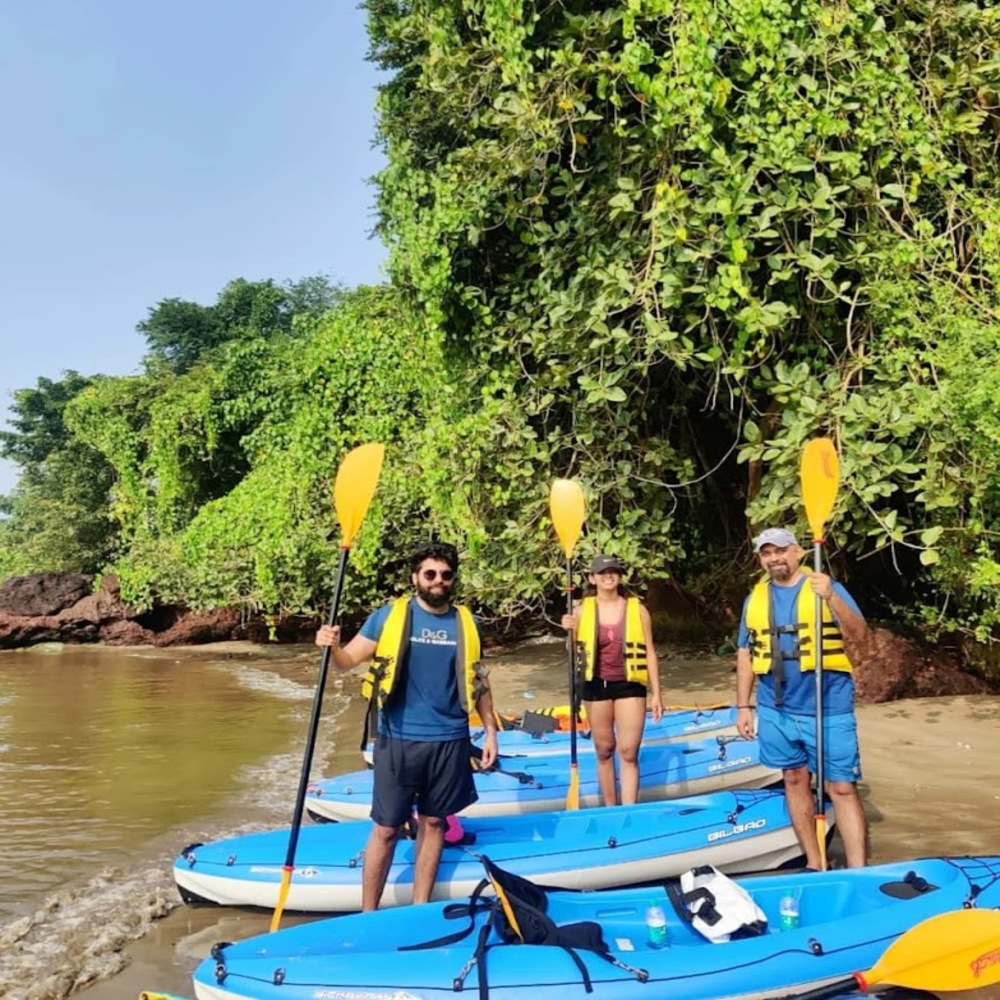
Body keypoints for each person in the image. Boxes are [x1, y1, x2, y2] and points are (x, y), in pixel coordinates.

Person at [315, 541, 498, 909]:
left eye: (446, 574)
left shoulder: (467, 623)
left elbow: (478, 680)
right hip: (398, 739)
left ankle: (420, 906)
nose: (438, 580)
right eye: (430, 574)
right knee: (386, 828)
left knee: (434, 823)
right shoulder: (387, 617)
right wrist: (330, 646)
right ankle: (369, 911)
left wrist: (491, 731)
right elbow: (346, 661)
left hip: (450, 739)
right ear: (415, 577)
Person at [735, 527, 870, 868]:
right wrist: (743, 706)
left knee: (841, 788)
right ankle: (814, 862)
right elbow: (745, 653)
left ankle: (858, 870)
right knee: (794, 779)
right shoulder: (755, 599)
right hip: (775, 708)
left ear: (798, 552)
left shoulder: (825, 587)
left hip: (828, 707)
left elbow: (860, 636)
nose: (774, 558)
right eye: (766, 553)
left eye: (780, 550)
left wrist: (831, 597)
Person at [561, 554, 663, 806]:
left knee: (628, 751)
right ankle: (610, 807)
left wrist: (657, 694)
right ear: (592, 578)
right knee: (604, 749)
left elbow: (650, 652)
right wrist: (569, 631)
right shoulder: (580, 612)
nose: (608, 576)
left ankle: (629, 808)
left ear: (620, 577)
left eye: (613, 572)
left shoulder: (638, 610)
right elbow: (573, 653)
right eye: (602, 573)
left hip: (629, 685)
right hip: (595, 686)